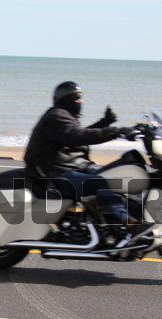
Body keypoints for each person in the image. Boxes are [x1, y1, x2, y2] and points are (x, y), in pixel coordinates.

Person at [24, 81, 132, 225]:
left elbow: (78, 134)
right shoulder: (57, 117)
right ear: (65, 99)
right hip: (53, 174)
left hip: (70, 168)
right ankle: (125, 222)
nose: (80, 101)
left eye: (80, 97)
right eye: (76, 98)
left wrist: (105, 122)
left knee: (119, 169)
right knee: (97, 182)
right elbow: (76, 136)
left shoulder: (64, 116)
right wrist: (117, 131)